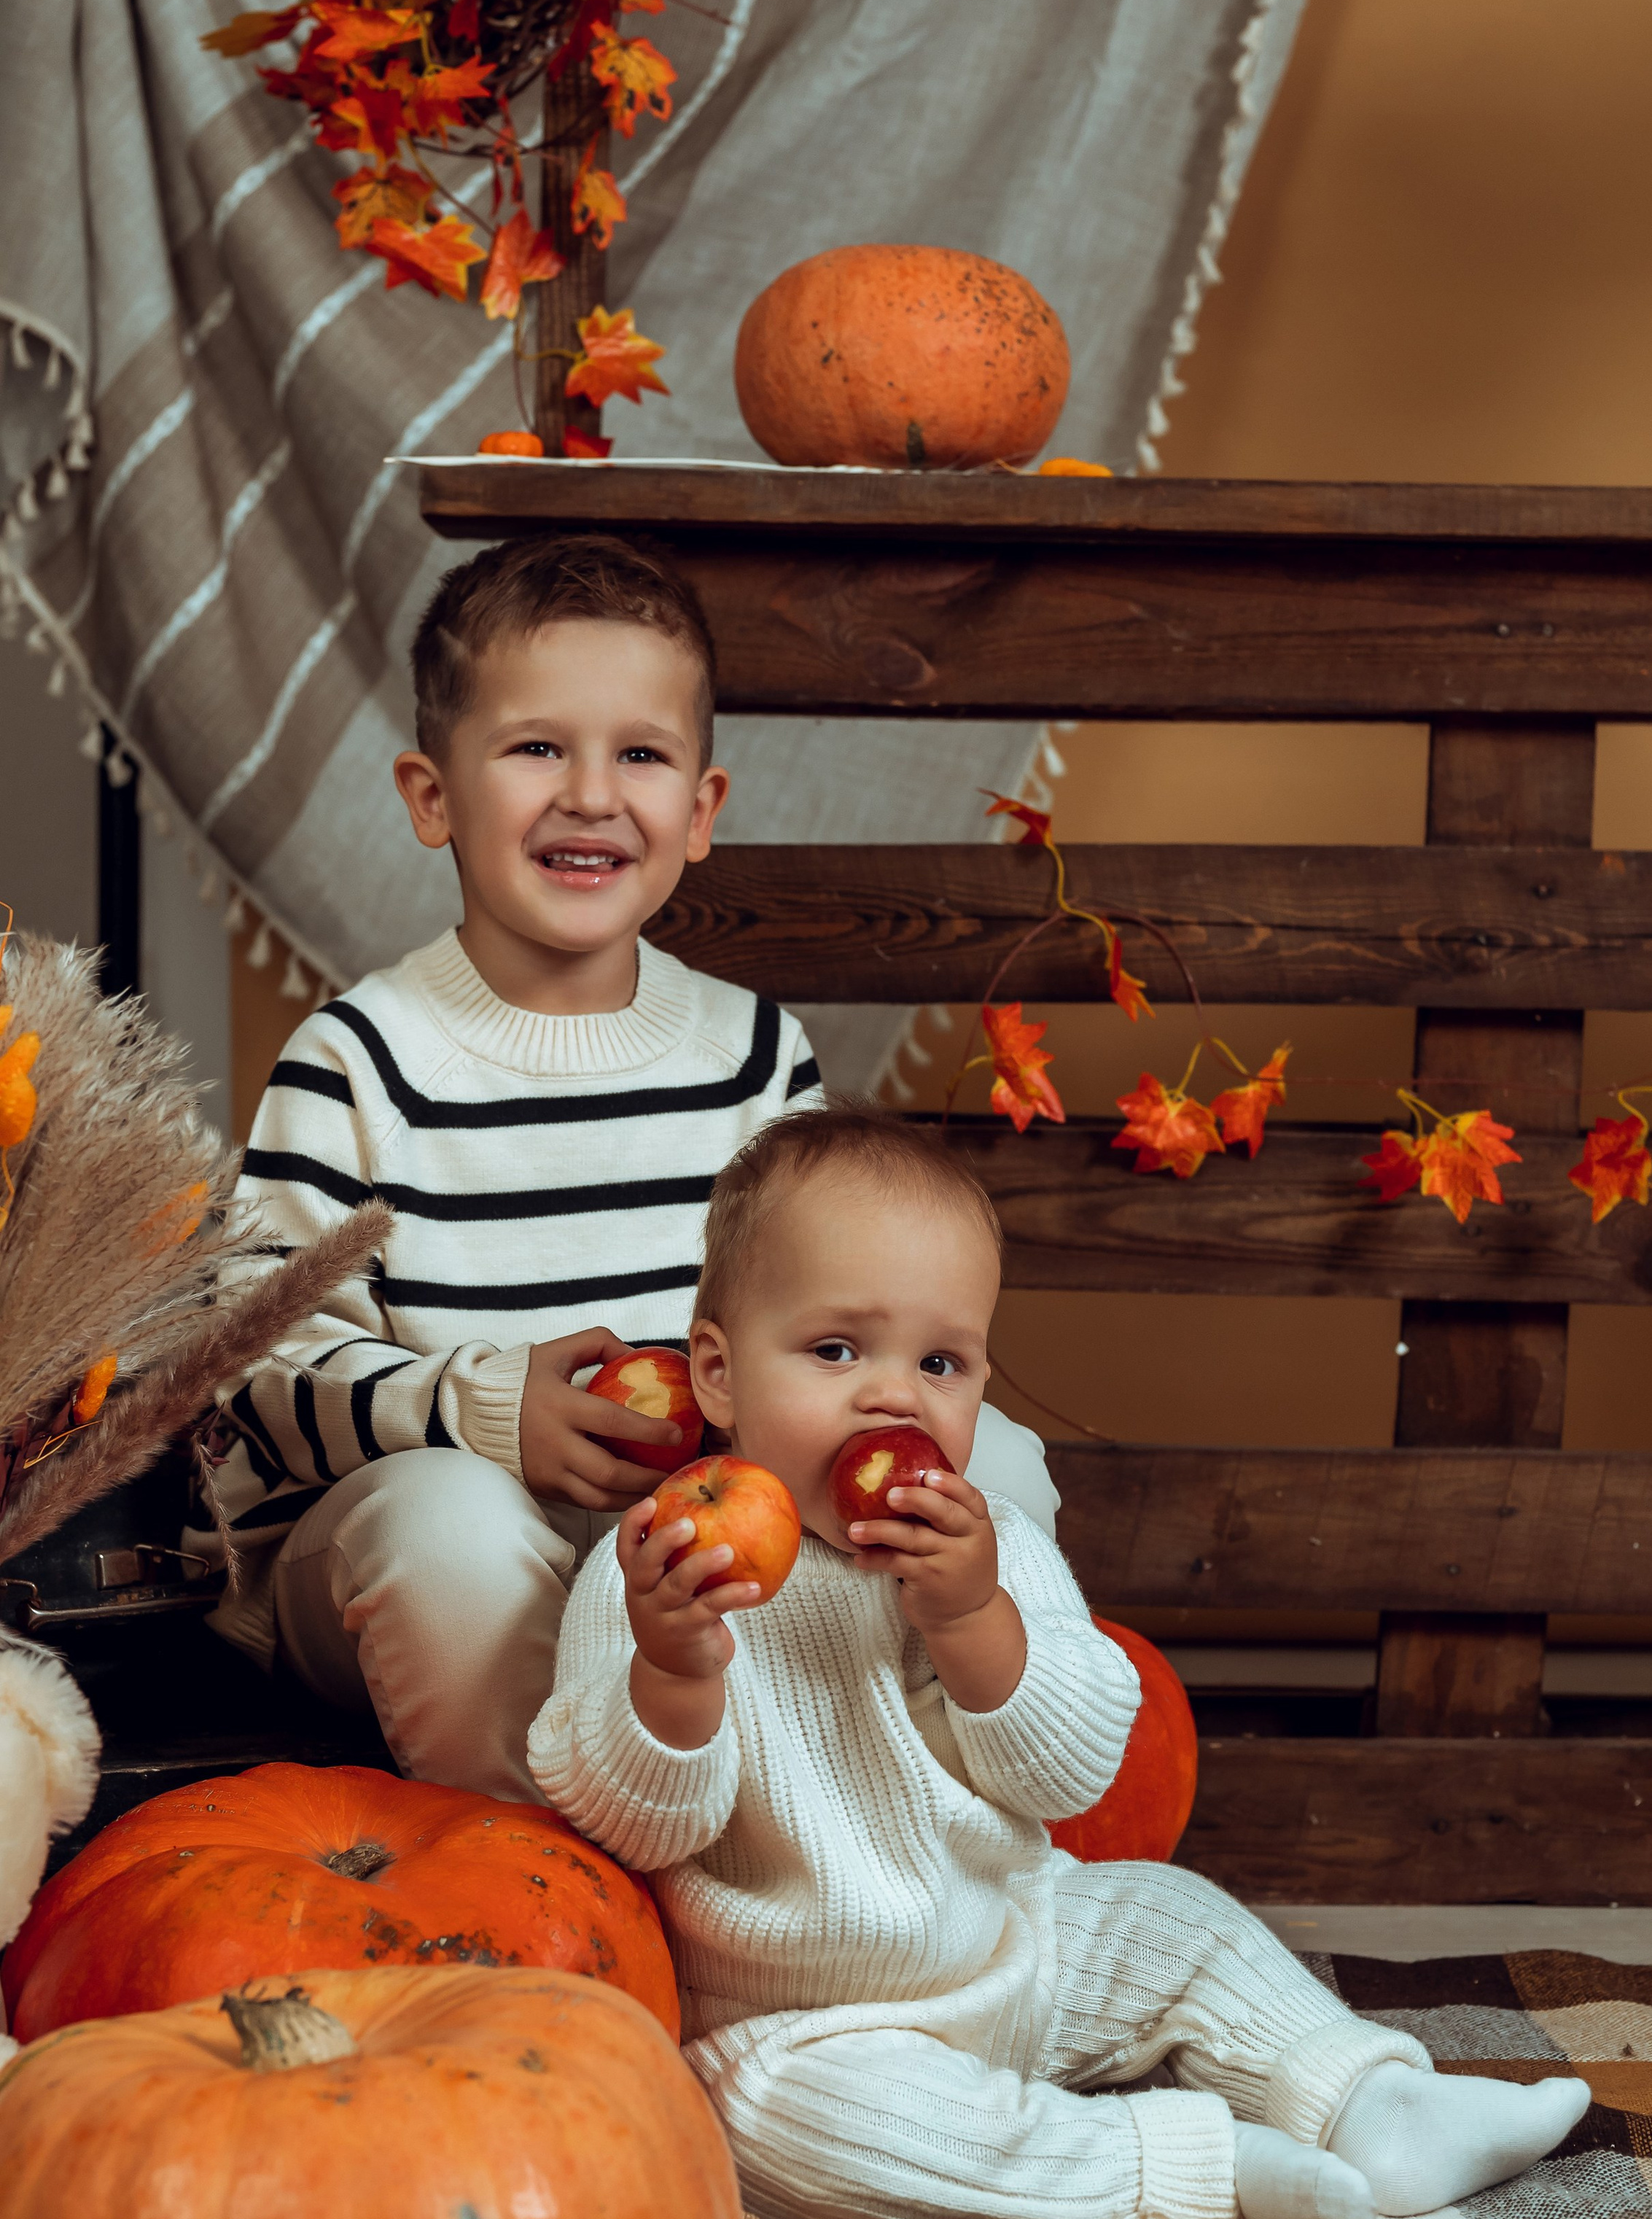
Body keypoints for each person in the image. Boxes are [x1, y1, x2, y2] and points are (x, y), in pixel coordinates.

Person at [529, 1106, 1590, 2219]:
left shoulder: (992, 1552)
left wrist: (972, 1620)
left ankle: (1372, 2103)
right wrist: (674, 1671)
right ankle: (1198, 2168)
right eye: (836, 1351)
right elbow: (632, 1830)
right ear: (719, 1374)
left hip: (1017, 1949)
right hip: (807, 2029)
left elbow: (1071, 1776)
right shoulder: (662, 1574)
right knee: (823, 2137)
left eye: (940, 1363)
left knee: (1177, 1920)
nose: (895, 1399)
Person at [199, 535, 1061, 1799]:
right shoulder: (357, 1063)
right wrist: (483, 1413)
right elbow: (255, 1374)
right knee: (446, 1526)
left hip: (688, 1553)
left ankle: (899, 1824)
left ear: (699, 812)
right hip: (403, 1568)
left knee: (1005, 1466)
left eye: (641, 756)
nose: (592, 796)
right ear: (433, 797)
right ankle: (543, 1867)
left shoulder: (752, 1057)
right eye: (537, 748)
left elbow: (830, 1321)